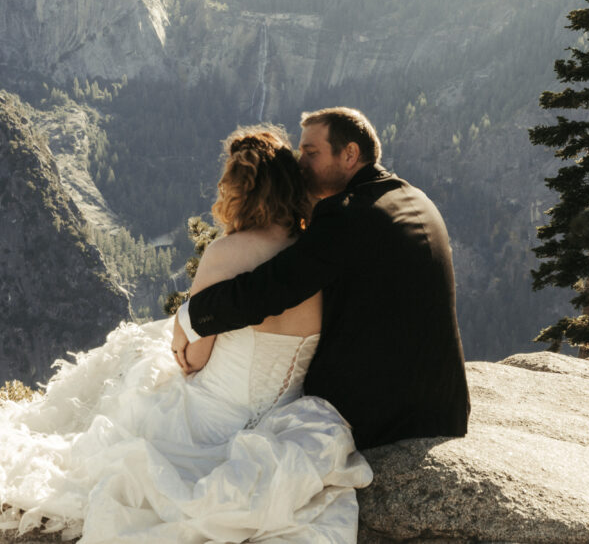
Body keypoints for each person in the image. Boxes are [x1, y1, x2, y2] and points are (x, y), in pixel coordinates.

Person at [0, 125, 372, 543]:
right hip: (288, 420)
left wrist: (185, 351)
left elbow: (197, 357)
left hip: (214, 420)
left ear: (241, 189)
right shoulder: (313, 259)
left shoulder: (228, 255)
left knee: (133, 405)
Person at [173, 107, 470, 450]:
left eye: (311, 154)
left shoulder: (348, 215)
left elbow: (269, 290)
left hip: (390, 415)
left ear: (350, 154)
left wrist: (192, 316)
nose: (300, 165)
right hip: (442, 403)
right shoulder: (411, 198)